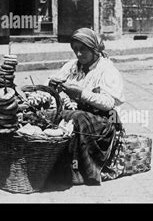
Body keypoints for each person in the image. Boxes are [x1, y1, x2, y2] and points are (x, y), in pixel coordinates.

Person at [48, 28, 126, 185]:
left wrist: (80, 93)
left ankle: (77, 171)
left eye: (83, 50)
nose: (78, 54)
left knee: (76, 119)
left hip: (104, 120)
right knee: (50, 115)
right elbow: (54, 81)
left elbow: (108, 103)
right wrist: (52, 86)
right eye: (75, 50)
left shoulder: (107, 70)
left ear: (94, 49)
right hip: (79, 113)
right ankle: (52, 164)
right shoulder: (71, 66)